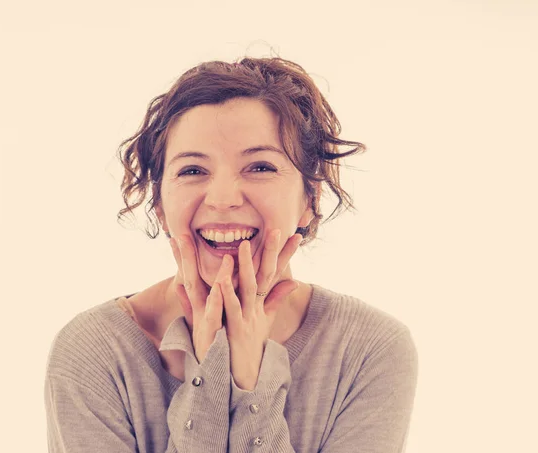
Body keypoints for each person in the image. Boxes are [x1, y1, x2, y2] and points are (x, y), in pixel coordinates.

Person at [44, 56, 418, 452]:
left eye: (260, 167)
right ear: (158, 204)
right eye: (192, 171)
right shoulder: (93, 352)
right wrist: (213, 376)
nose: (222, 199)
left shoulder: (371, 349)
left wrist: (251, 381)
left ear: (311, 198)